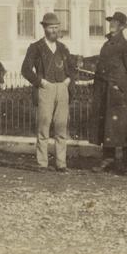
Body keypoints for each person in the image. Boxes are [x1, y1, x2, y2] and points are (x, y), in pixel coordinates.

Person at [21, 13, 76, 172]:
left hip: (62, 89)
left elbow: (72, 69)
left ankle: (61, 163)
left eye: (57, 28)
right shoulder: (35, 47)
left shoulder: (63, 48)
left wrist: (67, 81)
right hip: (46, 89)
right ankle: (42, 163)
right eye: (51, 28)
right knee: (43, 127)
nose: (54, 31)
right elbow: (25, 70)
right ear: (44, 28)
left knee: (61, 127)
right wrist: (41, 82)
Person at [90, 11, 127, 175]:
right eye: (111, 22)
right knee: (107, 126)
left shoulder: (126, 46)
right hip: (105, 92)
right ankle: (108, 160)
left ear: (122, 27)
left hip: (119, 94)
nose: (112, 24)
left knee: (124, 128)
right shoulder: (107, 44)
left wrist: (121, 86)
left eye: (116, 22)